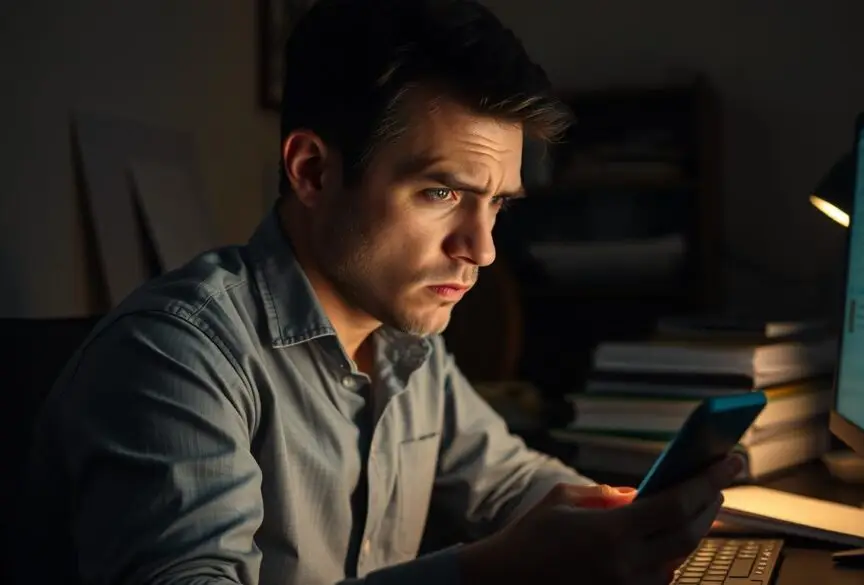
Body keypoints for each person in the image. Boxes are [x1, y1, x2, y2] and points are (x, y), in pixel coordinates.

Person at [19, 1, 742, 584]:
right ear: (311, 171)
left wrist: (629, 517)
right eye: (440, 191)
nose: (481, 249)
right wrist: (489, 571)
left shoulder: (405, 338)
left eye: (499, 205)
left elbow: (508, 482)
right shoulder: (174, 358)